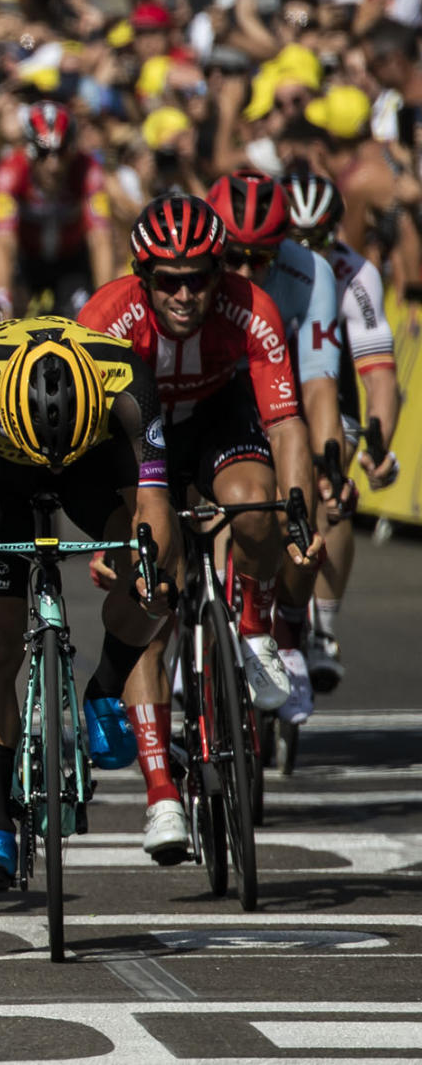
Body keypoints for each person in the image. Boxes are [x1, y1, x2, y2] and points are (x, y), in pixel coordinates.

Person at [77, 196, 322, 862]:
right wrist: (113, 536)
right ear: (143, 275)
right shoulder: (107, 318)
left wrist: (296, 511)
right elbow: (83, 445)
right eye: (168, 280)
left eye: (199, 278)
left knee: (253, 504)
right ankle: (160, 791)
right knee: (156, 585)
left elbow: (286, 423)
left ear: (220, 273)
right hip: (132, 443)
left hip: (216, 419)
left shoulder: (249, 307)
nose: (185, 294)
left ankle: (252, 624)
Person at [0, 316, 174, 890]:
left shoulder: (128, 383)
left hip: (92, 460)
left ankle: (106, 687)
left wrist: (148, 569)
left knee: (153, 576)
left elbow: (151, 503)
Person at [205, 170, 344, 723]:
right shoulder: (191, 269)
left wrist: (328, 464)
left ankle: (287, 630)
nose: (243, 272)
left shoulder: (310, 272)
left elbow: (318, 384)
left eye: (259, 259)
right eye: (233, 257)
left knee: (303, 496)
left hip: (276, 393)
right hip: (210, 394)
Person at [282, 171, 403, 696]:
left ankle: (323, 627)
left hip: (331, 389)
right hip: (272, 382)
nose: (309, 252)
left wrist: (378, 444)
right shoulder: (261, 268)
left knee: (329, 490)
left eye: (320, 241)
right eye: (297, 239)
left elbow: (378, 375)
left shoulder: (357, 275)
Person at [0, 102, 114, 320]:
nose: (53, 165)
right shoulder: (10, 171)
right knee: (8, 318)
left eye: (61, 152)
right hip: (27, 260)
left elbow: (100, 240)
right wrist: (1, 295)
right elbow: (3, 240)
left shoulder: (88, 170)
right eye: (43, 152)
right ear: (27, 150)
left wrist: (108, 299)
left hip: (71, 262)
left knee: (86, 317)